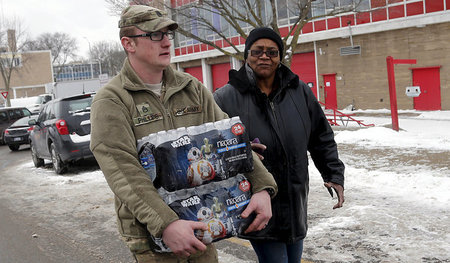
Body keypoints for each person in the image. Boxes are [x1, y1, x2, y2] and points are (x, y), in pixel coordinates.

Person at [89, 6, 277, 263]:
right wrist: (166, 223)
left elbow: (231, 140)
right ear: (128, 43)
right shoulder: (112, 100)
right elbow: (122, 170)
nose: (166, 41)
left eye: (168, 34)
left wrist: (262, 187)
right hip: (152, 233)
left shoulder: (191, 88)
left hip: (202, 217)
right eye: (155, 35)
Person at [213, 27, 345, 263]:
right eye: (258, 51)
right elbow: (213, 149)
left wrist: (334, 173)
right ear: (246, 55)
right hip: (257, 200)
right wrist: (238, 153)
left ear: (280, 56)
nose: (265, 57)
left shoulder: (299, 91)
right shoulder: (224, 98)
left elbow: (321, 136)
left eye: (272, 52)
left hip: (295, 199)